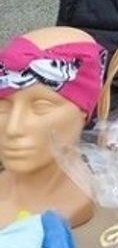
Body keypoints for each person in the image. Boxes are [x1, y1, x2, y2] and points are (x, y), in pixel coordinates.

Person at [0, 26, 106, 228]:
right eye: (3, 107)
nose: (13, 128)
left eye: (40, 106)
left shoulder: (78, 200)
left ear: (84, 111)